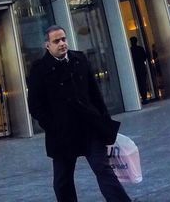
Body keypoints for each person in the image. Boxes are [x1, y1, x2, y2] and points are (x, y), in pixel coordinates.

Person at [26, 25, 130, 202]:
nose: (62, 43)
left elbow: (95, 94)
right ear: (47, 45)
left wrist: (104, 121)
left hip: (90, 127)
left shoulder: (79, 59)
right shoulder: (39, 69)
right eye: (56, 41)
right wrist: (52, 126)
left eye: (64, 39)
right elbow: (35, 106)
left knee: (103, 169)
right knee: (63, 180)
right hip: (62, 133)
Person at [128, 37, 151, 102]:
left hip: (135, 69)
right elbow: (145, 57)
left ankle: (142, 97)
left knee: (139, 83)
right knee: (143, 83)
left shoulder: (130, 50)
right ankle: (144, 98)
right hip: (141, 68)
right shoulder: (140, 49)